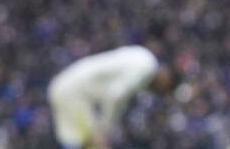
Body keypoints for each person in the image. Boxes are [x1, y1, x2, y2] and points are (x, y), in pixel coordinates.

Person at [47, 45, 176, 149]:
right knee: (92, 143)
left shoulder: (143, 55)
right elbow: (115, 95)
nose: (157, 92)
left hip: (64, 84)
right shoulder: (146, 68)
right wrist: (102, 131)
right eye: (162, 90)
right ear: (165, 78)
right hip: (75, 93)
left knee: (77, 141)